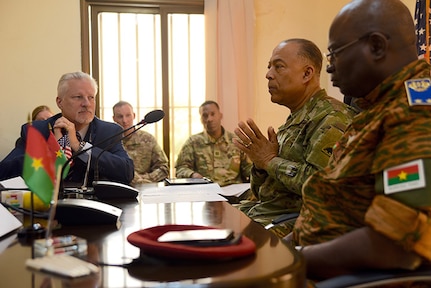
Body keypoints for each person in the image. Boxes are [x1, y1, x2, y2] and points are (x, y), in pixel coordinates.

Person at [287, 0, 431, 282]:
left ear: (376, 46)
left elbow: (391, 245)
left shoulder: (414, 112)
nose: (328, 69)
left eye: (334, 54)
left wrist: (285, 262)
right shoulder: (377, 108)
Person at [233, 38, 356, 238]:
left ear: (307, 73)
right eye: (269, 67)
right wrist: (260, 164)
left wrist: (270, 161)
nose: (268, 74)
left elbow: (319, 185)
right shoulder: (296, 118)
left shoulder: (332, 118)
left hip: (292, 226)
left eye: (278, 67)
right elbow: (263, 192)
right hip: (262, 214)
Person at [0, 72, 134, 187]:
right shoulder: (37, 131)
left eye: (91, 97)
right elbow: (4, 172)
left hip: (94, 209)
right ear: (60, 102)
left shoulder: (109, 131)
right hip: (47, 208)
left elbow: (127, 172)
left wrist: (79, 146)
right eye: (78, 97)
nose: (86, 104)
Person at [175, 100, 252, 187]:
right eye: (205, 116)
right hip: (205, 192)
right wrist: (193, 175)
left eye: (213, 114)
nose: (209, 119)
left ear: (220, 116)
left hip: (236, 193)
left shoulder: (236, 141)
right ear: (201, 119)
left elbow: (249, 168)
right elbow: (180, 169)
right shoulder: (193, 142)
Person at [112, 101, 169, 184]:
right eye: (120, 116)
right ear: (114, 118)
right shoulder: (109, 141)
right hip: (118, 189)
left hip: (147, 187)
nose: (124, 120)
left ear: (134, 116)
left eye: (128, 115)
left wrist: (143, 179)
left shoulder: (148, 139)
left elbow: (164, 168)